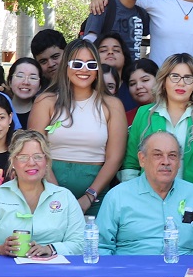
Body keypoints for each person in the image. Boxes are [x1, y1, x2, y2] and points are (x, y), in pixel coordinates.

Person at [121, 53, 193, 215]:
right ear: (164, 80)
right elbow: (131, 165)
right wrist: (132, 205)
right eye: (175, 77)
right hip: (148, 206)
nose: (181, 83)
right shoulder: (144, 114)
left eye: (188, 78)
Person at [30, 40, 128, 216]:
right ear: (65, 66)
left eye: (91, 64)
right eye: (77, 64)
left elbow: (115, 157)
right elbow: (35, 151)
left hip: (96, 195)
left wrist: (89, 196)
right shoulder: (45, 101)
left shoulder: (112, 105)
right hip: (47, 189)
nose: (84, 70)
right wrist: (57, 194)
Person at [97, 132, 193, 255]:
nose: (166, 162)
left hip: (183, 266)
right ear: (142, 159)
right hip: (134, 266)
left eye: (172, 155)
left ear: (179, 161)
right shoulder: (118, 196)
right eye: (157, 155)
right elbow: (101, 246)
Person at [0, 130, 86, 257]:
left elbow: (81, 243)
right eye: (23, 157)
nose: (31, 163)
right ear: (13, 162)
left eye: (38, 157)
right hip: (8, 267)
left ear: (47, 161)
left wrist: (51, 249)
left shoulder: (65, 197)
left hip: (54, 267)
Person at [81, 0, 151, 63]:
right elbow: (88, 42)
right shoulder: (103, 7)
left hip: (132, 72)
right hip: (106, 71)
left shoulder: (143, 14)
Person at [96, 33, 136, 108]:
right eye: (103, 50)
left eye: (116, 50)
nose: (110, 52)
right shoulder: (87, 88)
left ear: (125, 58)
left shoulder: (134, 89)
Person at [7, 58, 44, 127]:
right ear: (10, 82)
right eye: (20, 76)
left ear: (40, 86)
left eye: (33, 78)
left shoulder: (44, 113)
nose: (26, 82)